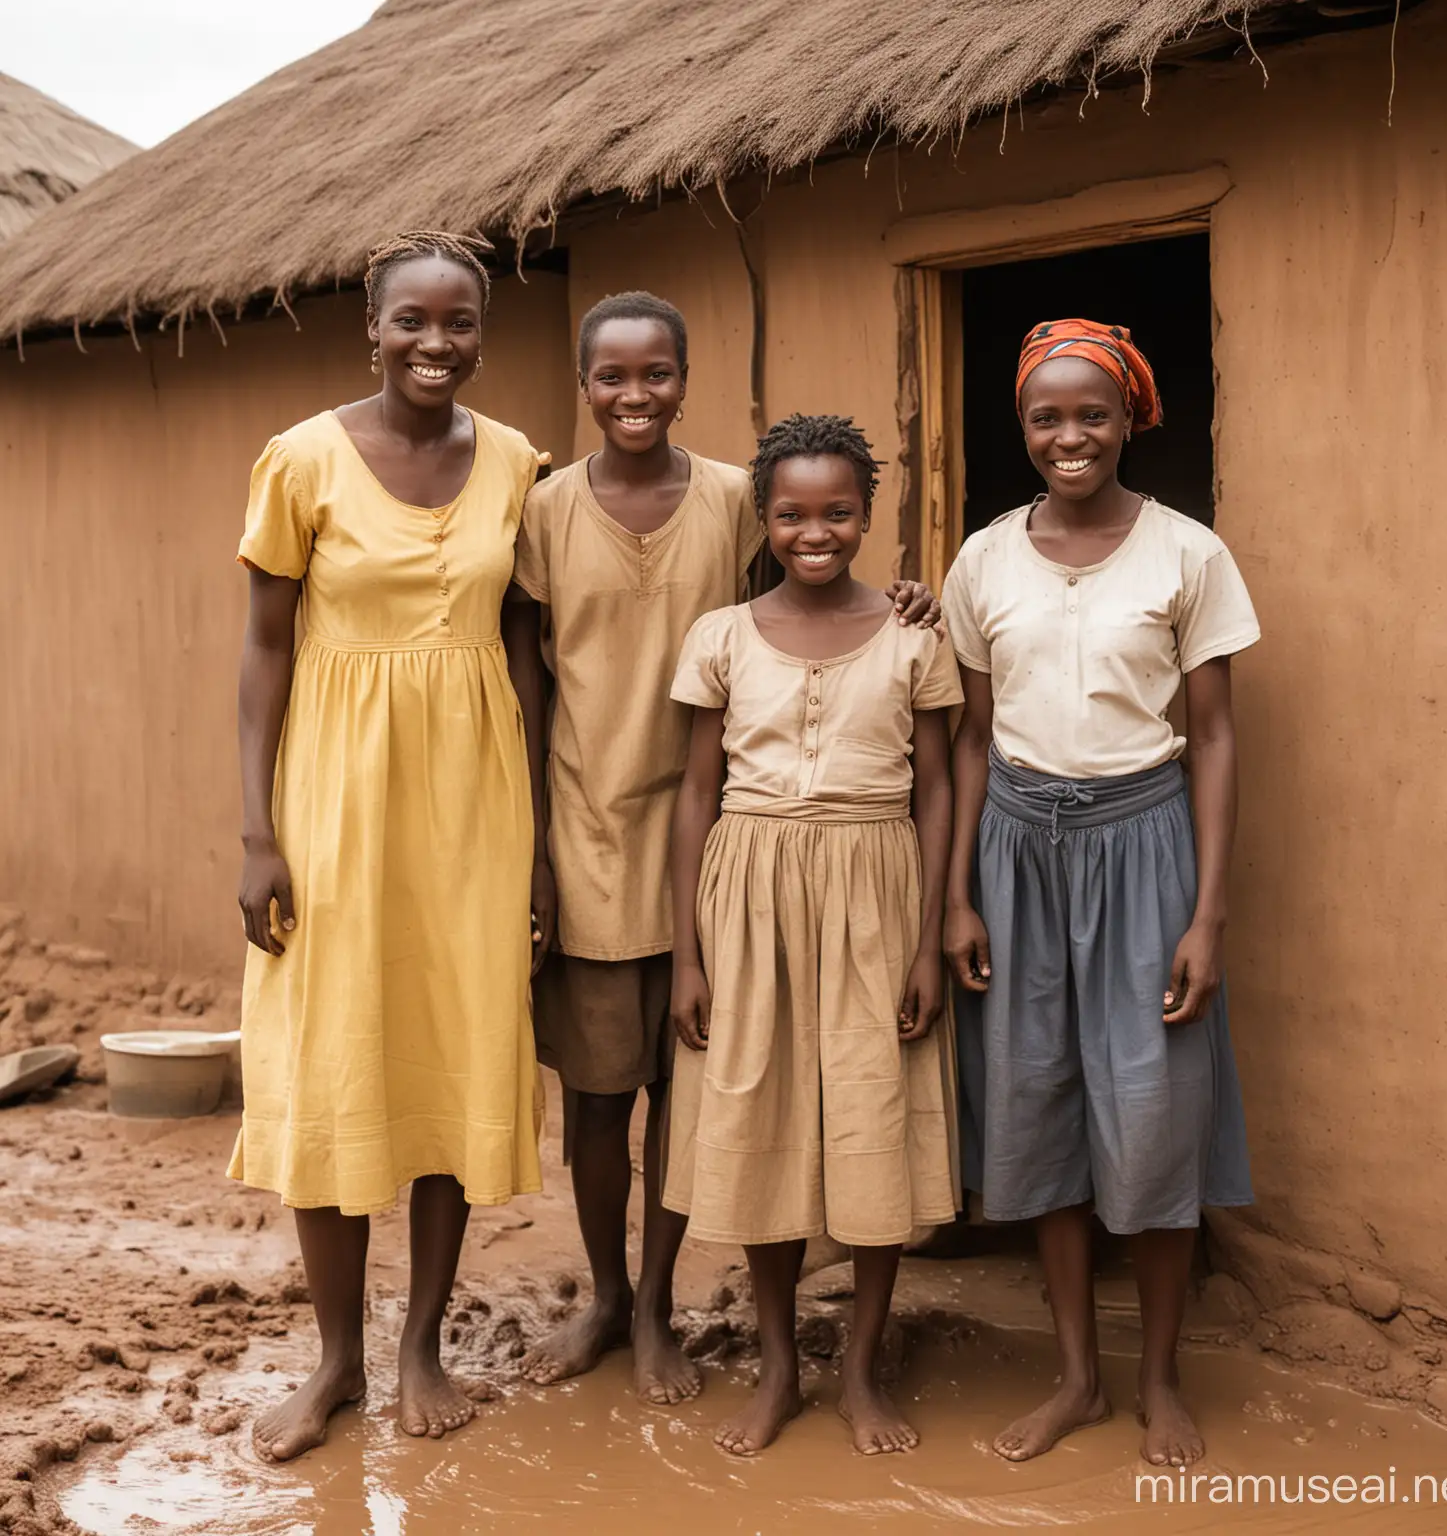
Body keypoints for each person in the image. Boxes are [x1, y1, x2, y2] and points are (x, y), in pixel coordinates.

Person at [512, 296, 940, 1406]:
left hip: (734, 856)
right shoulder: (547, 511)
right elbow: (526, 681)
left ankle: (657, 1310)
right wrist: (536, 851)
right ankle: (611, 1298)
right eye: (612, 376)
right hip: (596, 834)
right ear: (584, 385)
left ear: (687, 378)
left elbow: (812, 614)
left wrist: (906, 598)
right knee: (603, 1096)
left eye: (657, 373)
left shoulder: (735, 504)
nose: (636, 394)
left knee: (691, 1095)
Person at [233, 231, 553, 1462]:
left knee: (449, 1051)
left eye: (460, 323)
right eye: (412, 321)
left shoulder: (517, 462)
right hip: (333, 796)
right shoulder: (301, 460)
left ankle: (419, 1343)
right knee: (330, 1057)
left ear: (482, 331)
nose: (437, 344)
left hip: (475, 799)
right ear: (371, 328)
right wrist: (258, 830)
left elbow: (525, 649)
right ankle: (335, 1362)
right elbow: (265, 647)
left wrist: (527, 843)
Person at [943, 319, 1258, 1470]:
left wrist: (1206, 914)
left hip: (1145, 844)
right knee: (1037, 1112)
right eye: (1045, 416)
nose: (1068, 435)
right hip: (1017, 848)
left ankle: (1160, 1379)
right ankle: (1077, 1378)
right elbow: (971, 740)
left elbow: (1215, 738)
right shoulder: (983, 560)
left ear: (1130, 419)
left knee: (1154, 1112)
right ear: (1021, 428)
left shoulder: (1186, 555)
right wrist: (958, 896)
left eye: (1092, 414)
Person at [667, 413, 962, 1457]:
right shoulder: (720, 635)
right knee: (764, 1124)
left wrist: (926, 941)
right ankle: (783, 1366)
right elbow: (695, 792)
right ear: (765, 518)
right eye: (792, 513)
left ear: (868, 514)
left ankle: (866, 1371)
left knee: (873, 1123)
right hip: (748, 895)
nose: (816, 531)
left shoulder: (917, 631)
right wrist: (689, 955)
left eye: (838, 511)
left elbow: (935, 792)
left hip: (875, 891)